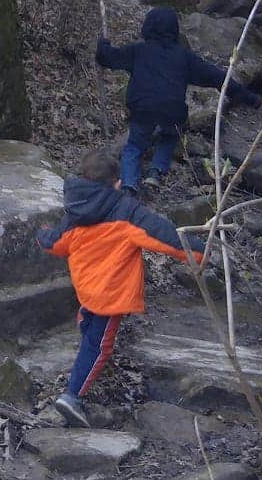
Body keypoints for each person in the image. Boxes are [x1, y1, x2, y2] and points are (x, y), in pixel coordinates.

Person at [38, 148, 207, 428]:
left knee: (91, 327)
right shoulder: (126, 211)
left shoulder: (75, 210)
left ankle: (84, 340)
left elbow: (56, 243)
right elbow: (163, 235)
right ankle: (72, 396)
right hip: (110, 294)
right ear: (116, 183)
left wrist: (41, 233)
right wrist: (201, 252)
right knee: (99, 346)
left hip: (87, 288)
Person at [95, 6, 261, 191]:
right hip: (172, 111)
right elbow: (216, 77)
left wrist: (103, 45)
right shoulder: (184, 57)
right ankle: (155, 172)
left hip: (143, 107)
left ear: (147, 27)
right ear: (175, 30)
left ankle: (128, 184)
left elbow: (108, 58)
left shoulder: (138, 51)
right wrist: (248, 97)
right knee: (169, 137)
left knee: (134, 145)